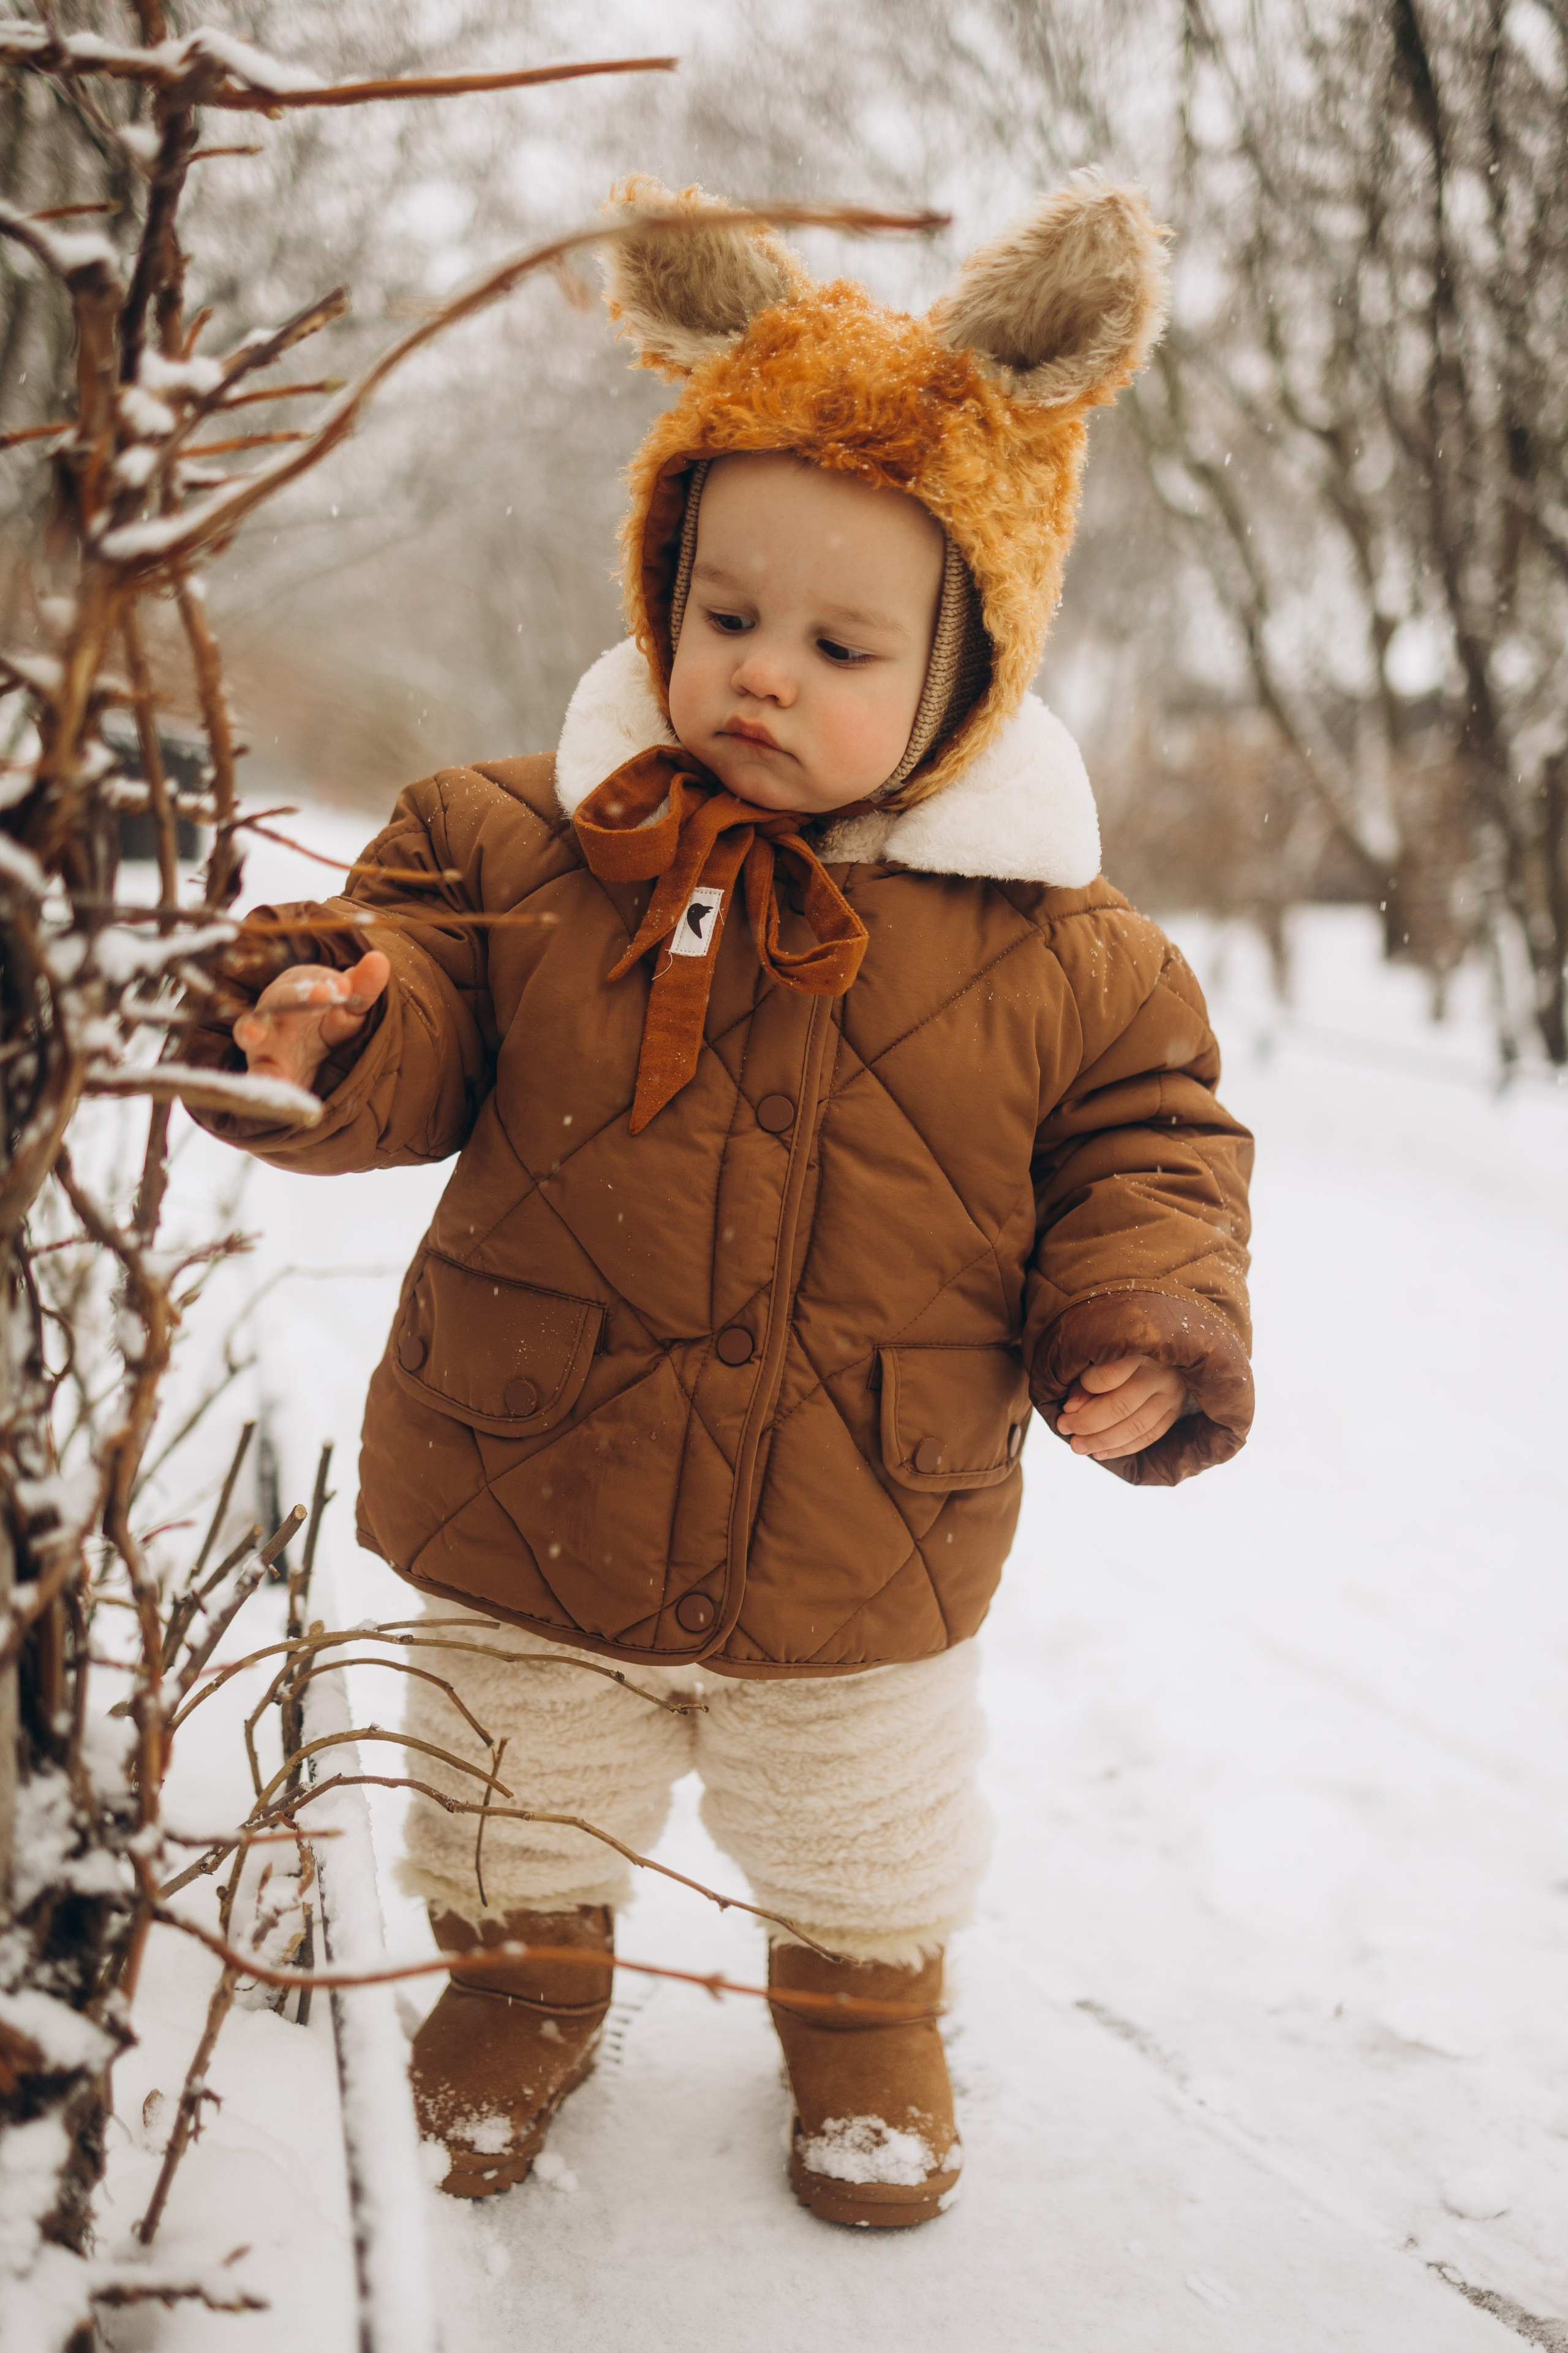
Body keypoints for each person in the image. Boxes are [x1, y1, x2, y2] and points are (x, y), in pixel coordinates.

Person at [198, 173, 1254, 2229]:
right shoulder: (517, 843)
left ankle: (867, 2024)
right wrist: (331, 1018)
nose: (763, 671)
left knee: (862, 1823)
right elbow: (419, 999)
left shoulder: (1071, 954)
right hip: (542, 1478)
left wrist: (1142, 1316)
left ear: (972, 666)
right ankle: (521, 1983)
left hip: (858, 1514)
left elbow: (1153, 1146)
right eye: (726, 615)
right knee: (514, 1786)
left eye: (842, 641)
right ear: (662, 591)